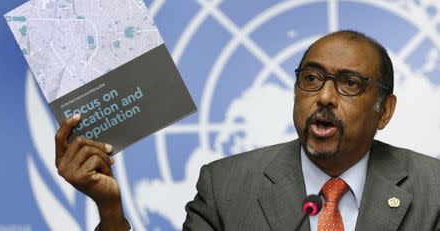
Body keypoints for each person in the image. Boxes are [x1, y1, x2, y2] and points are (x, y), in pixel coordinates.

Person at [55, 30, 440, 230]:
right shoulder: (225, 187)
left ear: (384, 110)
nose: (324, 97)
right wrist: (110, 212)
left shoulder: (433, 189)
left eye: (349, 84)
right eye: (311, 78)